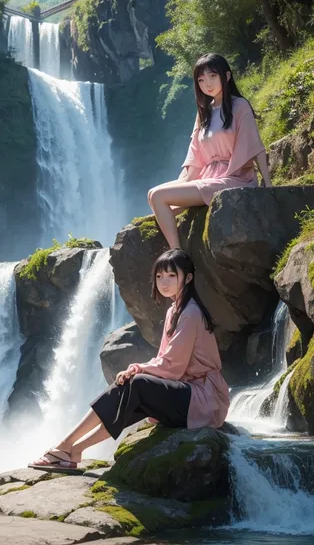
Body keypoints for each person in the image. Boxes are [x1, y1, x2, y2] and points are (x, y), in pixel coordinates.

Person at [29, 249, 230, 470]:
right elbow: (164, 358)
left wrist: (136, 368)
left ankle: (68, 447)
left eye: (172, 276)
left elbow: (173, 365)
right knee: (128, 384)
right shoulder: (175, 310)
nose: (164, 282)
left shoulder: (190, 313)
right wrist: (136, 371)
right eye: (159, 276)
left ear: (188, 278)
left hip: (205, 399)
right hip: (186, 392)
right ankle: (71, 448)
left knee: (137, 383)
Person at [148, 53, 272, 249]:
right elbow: (195, 155)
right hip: (208, 176)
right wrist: (184, 183)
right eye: (201, 80)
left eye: (213, 76)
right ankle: (176, 249)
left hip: (235, 177)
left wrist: (267, 183)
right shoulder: (203, 112)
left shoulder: (240, 106)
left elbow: (255, 145)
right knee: (154, 197)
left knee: (157, 196)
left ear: (227, 76)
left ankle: (176, 253)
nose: (207, 84)